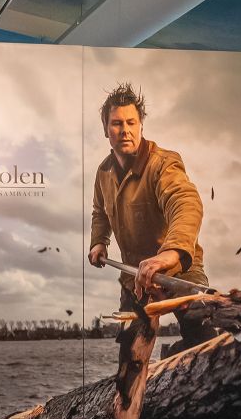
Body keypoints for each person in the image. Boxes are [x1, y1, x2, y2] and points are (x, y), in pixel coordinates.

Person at [87, 82, 213, 353]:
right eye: (116, 123)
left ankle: (175, 356)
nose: (125, 131)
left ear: (141, 125)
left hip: (178, 270)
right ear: (105, 129)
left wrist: (171, 253)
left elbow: (185, 202)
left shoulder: (163, 163)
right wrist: (99, 241)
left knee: (205, 343)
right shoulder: (103, 172)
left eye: (131, 122)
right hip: (133, 277)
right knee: (130, 355)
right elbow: (100, 211)